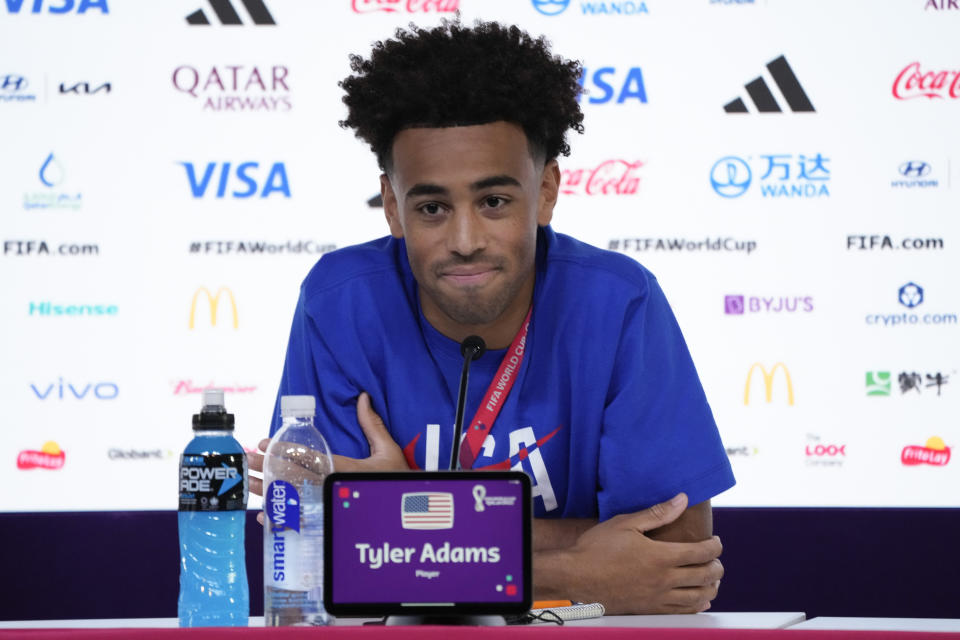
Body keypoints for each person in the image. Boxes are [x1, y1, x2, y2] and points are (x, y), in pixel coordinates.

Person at [248, 17, 734, 614]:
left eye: (494, 201)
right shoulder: (340, 302)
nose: (465, 239)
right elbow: (320, 555)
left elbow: (675, 554)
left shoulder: (619, 301)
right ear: (393, 209)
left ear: (548, 190)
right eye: (431, 207)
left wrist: (404, 513)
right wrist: (577, 573)